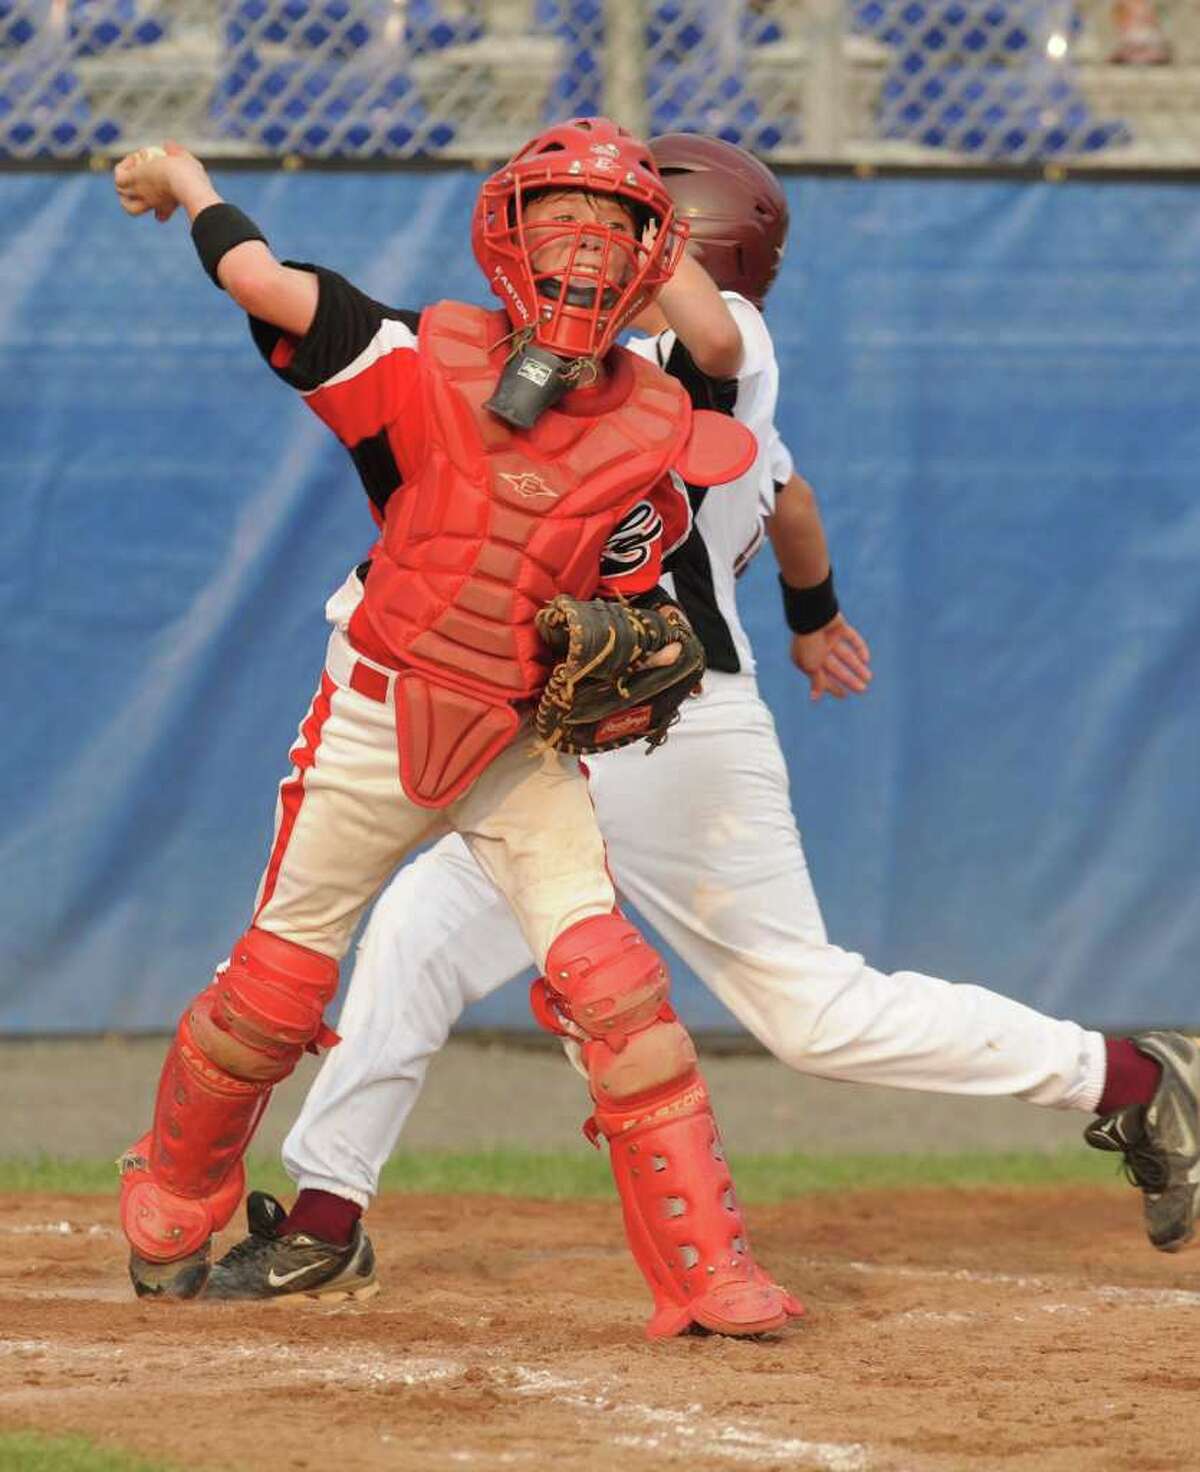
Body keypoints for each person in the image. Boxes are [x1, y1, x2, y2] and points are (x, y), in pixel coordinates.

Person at [201, 130, 1200, 1305]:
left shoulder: (718, 338)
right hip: (577, 722)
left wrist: (648, 236)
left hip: (669, 731)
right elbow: (792, 499)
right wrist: (816, 617)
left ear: (688, 241)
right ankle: (327, 1213)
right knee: (421, 934)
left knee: (810, 1011)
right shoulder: (621, 372)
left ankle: (1137, 1075)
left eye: (627, 223)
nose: (590, 242)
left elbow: (720, 354)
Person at [110, 116, 804, 1340]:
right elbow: (259, 280)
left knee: (618, 993)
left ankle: (705, 1272)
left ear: (655, 256)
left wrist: (641, 644)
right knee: (273, 988)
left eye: (614, 226)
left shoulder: (656, 421)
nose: (584, 248)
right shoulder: (416, 352)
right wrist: (187, 178)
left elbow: (641, 576)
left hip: (521, 745)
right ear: (507, 233)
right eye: (562, 219)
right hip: (378, 712)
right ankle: (174, 1195)